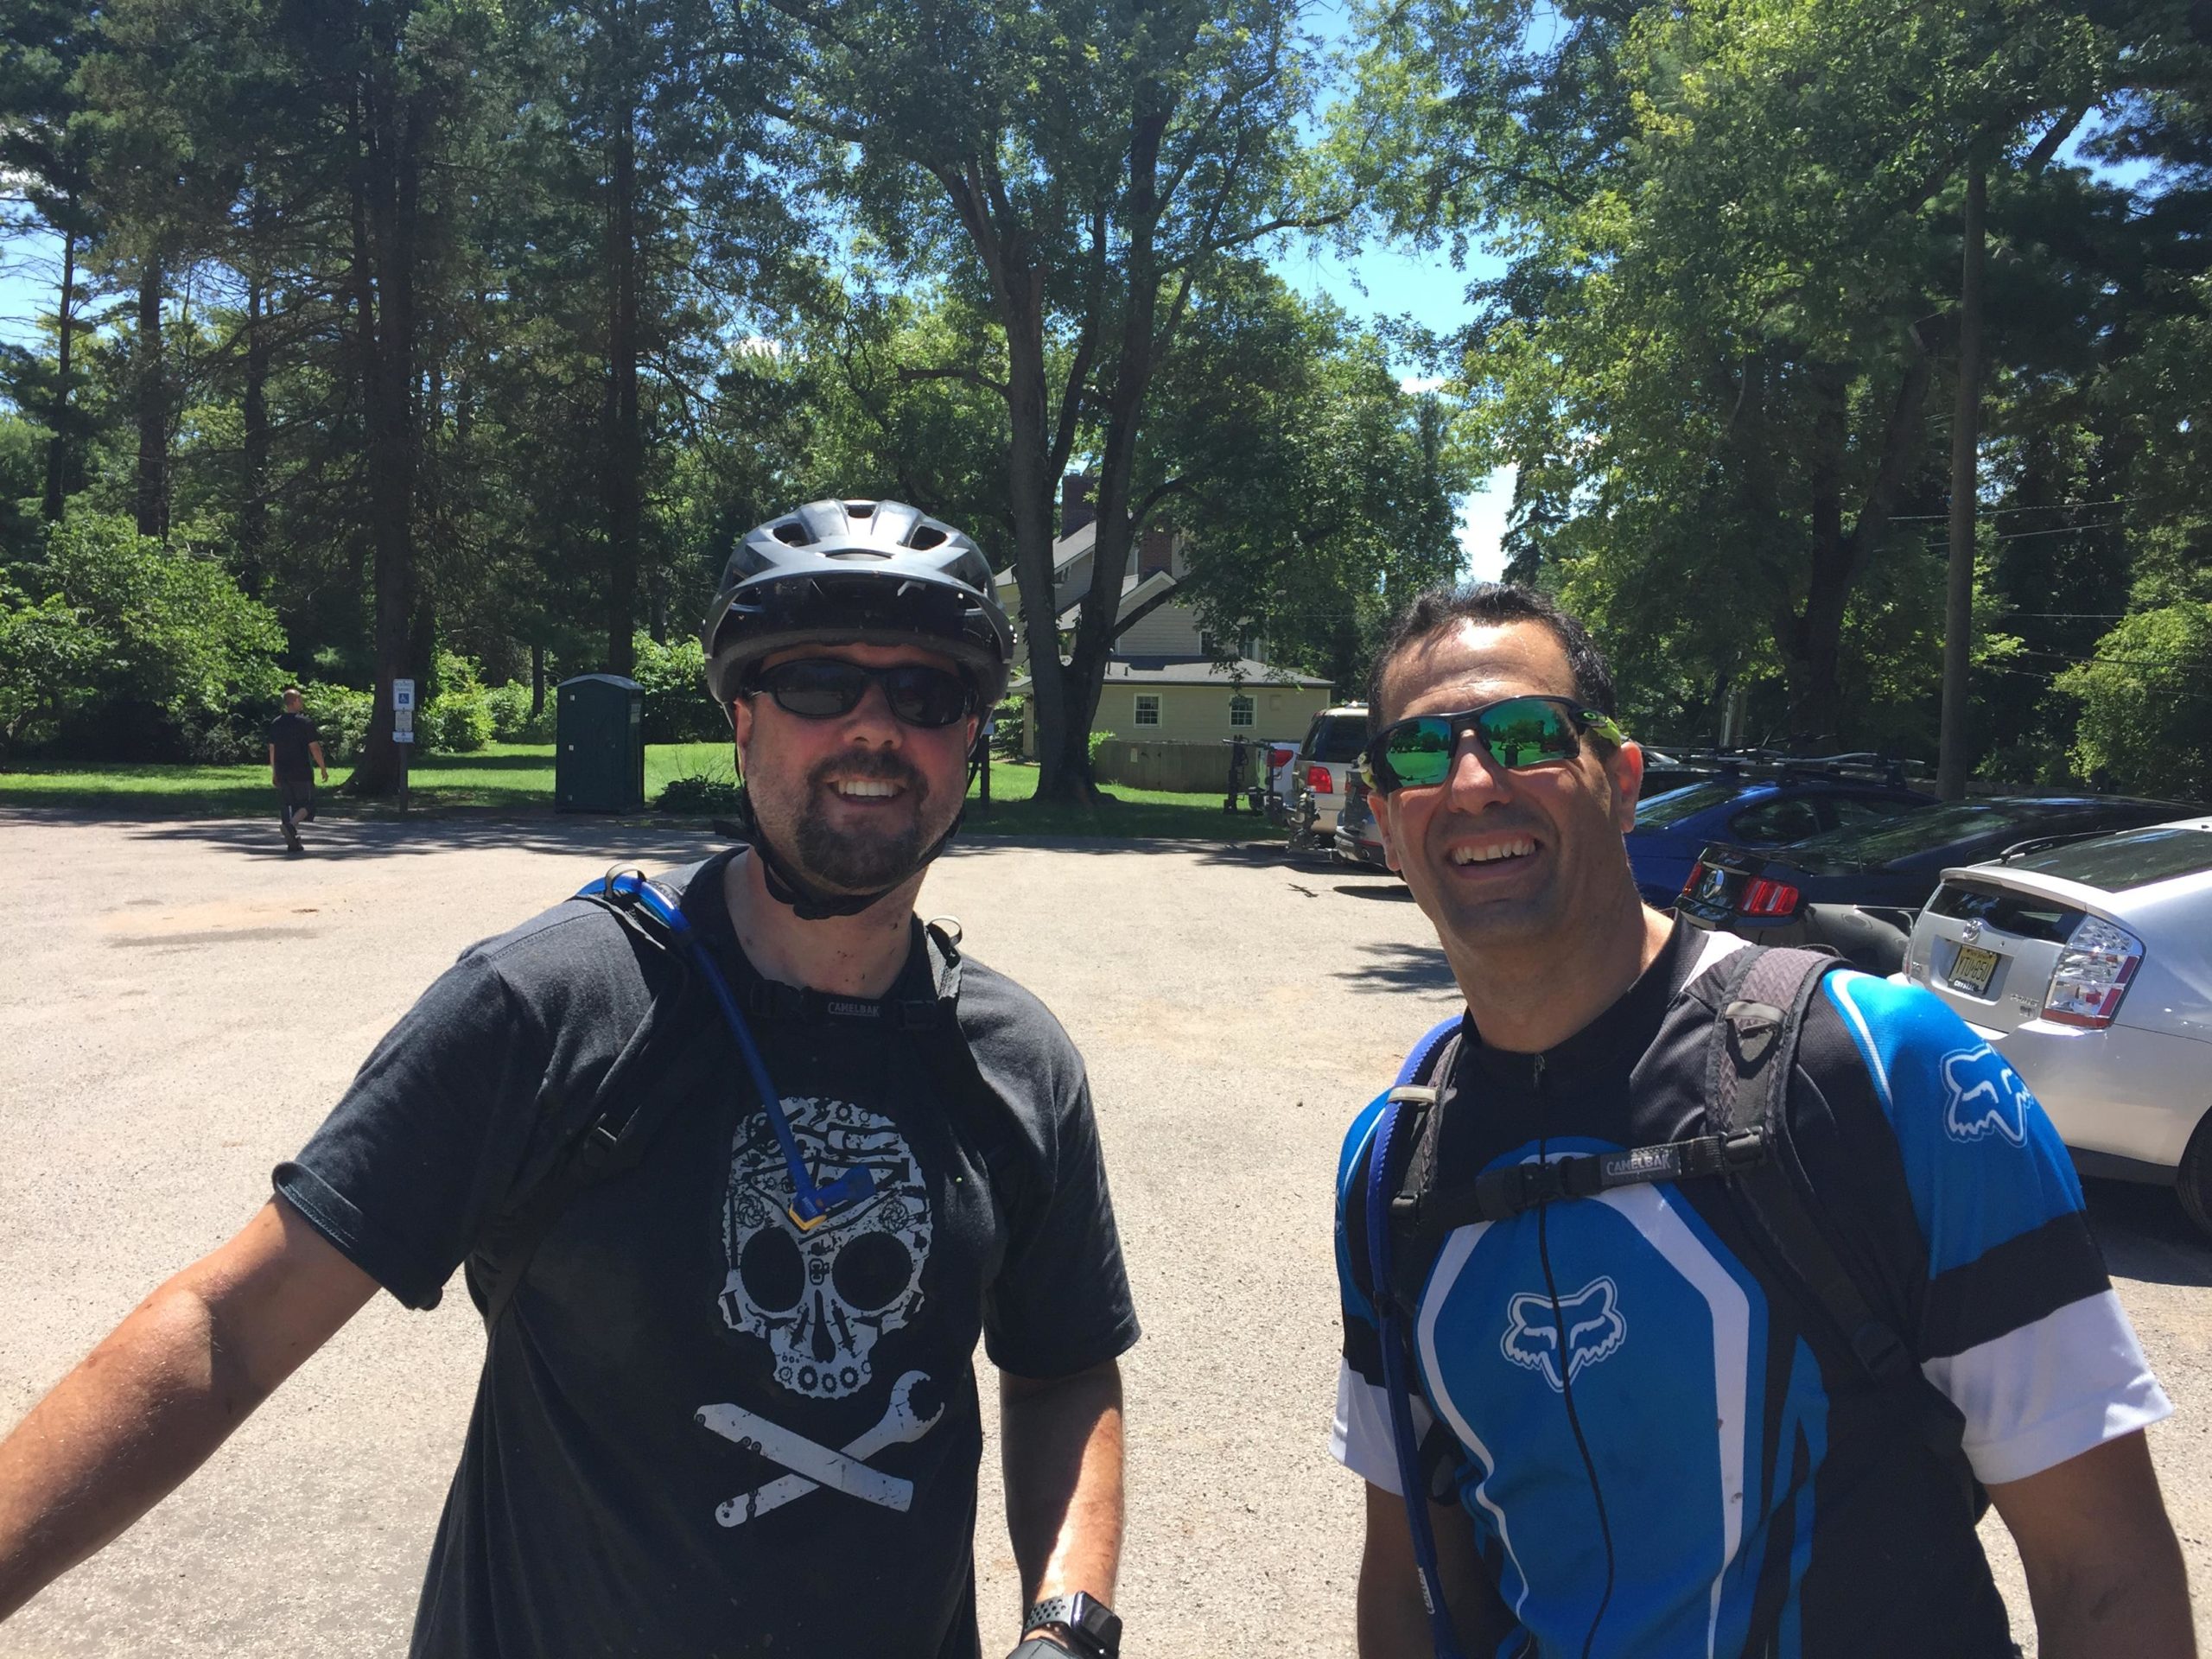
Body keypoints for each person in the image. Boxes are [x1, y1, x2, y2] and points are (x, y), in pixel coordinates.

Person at [0, 499, 1139, 1659]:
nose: (871, 728)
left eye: (926, 694)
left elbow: (1062, 1368)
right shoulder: (545, 1010)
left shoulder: (1013, 1063)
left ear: (970, 738)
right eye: (815, 685)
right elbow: (227, 1329)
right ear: (742, 719)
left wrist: (1068, 1619)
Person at [1331, 582, 2192, 1657]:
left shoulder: (1885, 1069)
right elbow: (1417, 1584)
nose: (1469, 782)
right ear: (1382, 821)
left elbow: (2103, 1572)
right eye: (1416, 755)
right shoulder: (1392, 1164)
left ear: (1623, 782)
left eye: (1523, 734)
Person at [267, 686, 328, 852]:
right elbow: (314, 747)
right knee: (308, 805)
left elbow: (272, 749)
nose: (302, 702)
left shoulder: (276, 723)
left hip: (282, 771)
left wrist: (274, 771)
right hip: (301, 771)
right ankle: (291, 826)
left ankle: (292, 841)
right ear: (294, 702)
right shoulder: (305, 723)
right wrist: (322, 767)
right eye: (300, 699)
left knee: (288, 805)